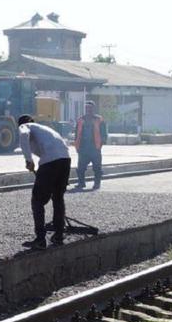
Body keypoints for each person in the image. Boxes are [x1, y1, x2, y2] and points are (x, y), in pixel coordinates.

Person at [18, 114, 71, 249]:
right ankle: (59, 235)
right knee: (58, 197)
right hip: (65, 160)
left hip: (51, 161)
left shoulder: (25, 126)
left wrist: (28, 160)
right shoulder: (44, 129)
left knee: (37, 200)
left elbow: (23, 135)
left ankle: (40, 239)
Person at [75, 101, 108, 190]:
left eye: (90, 108)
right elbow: (76, 133)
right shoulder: (80, 120)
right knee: (80, 168)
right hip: (83, 148)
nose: (88, 110)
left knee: (97, 168)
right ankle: (81, 183)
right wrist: (77, 146)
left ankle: (97, 184)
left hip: (95, 147)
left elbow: (104, 133)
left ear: (93, 109)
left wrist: (102, 142)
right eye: (86, 108)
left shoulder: (99, 119)